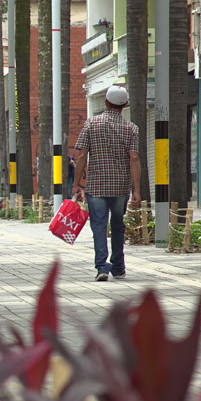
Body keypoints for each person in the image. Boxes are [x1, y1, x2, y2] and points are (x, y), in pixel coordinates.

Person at [71, 85, 141, 282]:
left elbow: (82, 155)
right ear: (125, 104)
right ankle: (118, 267)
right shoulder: (131, 128)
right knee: (118, 225)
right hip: (120, 187)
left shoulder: (91, 124)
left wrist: (76, 183)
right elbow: (134, 159)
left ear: (106, 102)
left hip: (96, 186)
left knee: (99, 226)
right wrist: (136, 190)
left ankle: (102, 267)